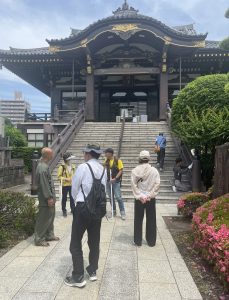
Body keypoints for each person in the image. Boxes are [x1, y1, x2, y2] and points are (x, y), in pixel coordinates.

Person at [65, 144, 107, 288]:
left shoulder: (83, 167)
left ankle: (78, 276)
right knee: (94, 241)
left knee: (76, 242)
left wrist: (77, 203)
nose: (84, 155)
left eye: (84, 153)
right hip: (97, 210)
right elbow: (104, 190)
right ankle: (92, 270)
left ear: (88, 154)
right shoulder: (103, 169)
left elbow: (74, 188)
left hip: (83, 208)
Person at [131, 150, 160, 247]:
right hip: (150, 198)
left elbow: (133, 185)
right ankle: (151, 241)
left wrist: (140, 196)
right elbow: (157, 184)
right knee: (151, 219)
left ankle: (138, 241)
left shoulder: (135, 170)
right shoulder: (154, 170)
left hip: (139, 198)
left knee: (138, 219)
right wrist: (149, 195)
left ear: (140, 159)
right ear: (149, 159)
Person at [34, 147, 59, 247]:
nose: (52, 155)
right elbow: (44, 184)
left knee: (50, 216)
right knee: (44, 218)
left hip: (48, 197)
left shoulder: (44, 166)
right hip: (45, 198)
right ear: (47, 155)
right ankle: (39, 239)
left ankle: (49, 234)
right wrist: (49, 197)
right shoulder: (42, 168)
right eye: (51, 154)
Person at [104, 148, 126, 220]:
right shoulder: (106, 161)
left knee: (118, 197)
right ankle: (113, 211)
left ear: (110, 153)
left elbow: (121, 170)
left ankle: (122, 212)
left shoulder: (117, 161)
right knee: (111, 197)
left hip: (115, 182)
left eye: (106, 153)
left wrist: (115, 178)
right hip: (108, 182)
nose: (105, 154)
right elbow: (103, 169)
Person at [57, 152, 76, 217]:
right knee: (64, 198)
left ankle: (73, 210)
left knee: (72, 198)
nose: (70, 160)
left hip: (71, 185)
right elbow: (59, 177)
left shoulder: (73, 166)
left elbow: (75, 174)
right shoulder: (61, 167)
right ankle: (64, 210)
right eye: (69, 159)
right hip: (64, 185)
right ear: (66, 160)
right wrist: (66, 179)